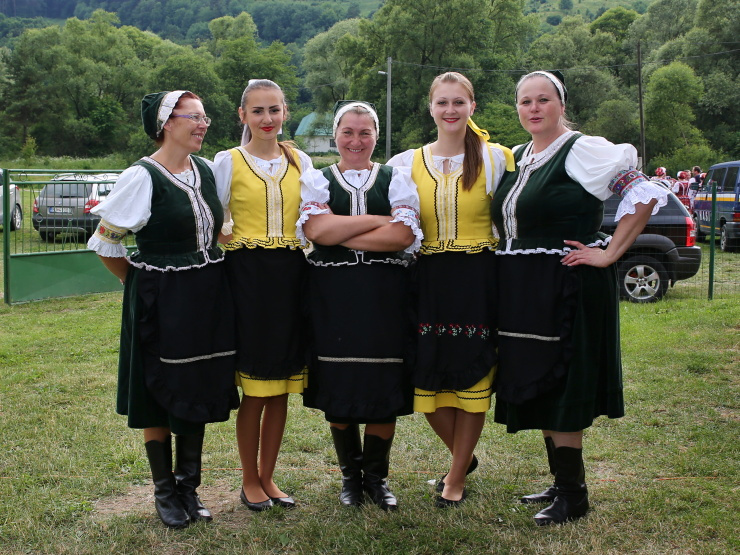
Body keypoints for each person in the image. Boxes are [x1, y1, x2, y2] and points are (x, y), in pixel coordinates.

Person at [490, 70, 668, 526]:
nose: (534, 108)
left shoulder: (583, 149)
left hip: (568, 283)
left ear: (561, 105)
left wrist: (610, 253)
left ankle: (574, 494)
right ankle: (560, 482)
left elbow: (644, 194)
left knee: (563, 380)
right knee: (542, 375)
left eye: (543, 99)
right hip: (526, 287)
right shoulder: (518, 156)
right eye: (525, 101)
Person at [88, 90, 239, 528]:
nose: (203, 124)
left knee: (196, 384)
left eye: (205, 117)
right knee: (155, 389)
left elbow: (216, 230)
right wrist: (138, 282)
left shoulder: (207, 171)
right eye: (194, 117)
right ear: (166, 123)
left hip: (205, 295)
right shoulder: (142, 176)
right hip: (160, 297)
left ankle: (189, 487)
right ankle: (164, 491)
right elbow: (106, 241)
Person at [388, 72, 514, 508]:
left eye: (459, 102)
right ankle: (465, 458)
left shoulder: (496, 158)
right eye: (442, 102)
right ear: (431, 108)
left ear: (472, 107)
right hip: (427, 279)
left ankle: (456, 476)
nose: (450, 110)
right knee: (428, 378)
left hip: (478, 278)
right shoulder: (407, 162)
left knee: (472, 373)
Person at [297, 101, 422, 511]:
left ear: (376, 136)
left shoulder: (395, 177)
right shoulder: (317, 179)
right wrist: (377, 221)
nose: (356, 140)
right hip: (333, 296)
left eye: (365, 132)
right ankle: (350, 478)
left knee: (383, 382)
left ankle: (376, 479)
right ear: (335, 135)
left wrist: (338, 232)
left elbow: (402, 237)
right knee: (339, 382)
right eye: (347, 132)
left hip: (385, 297)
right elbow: (316, 230)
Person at [213, 79, 320, 512]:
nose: (267, 118)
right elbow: (211, 217)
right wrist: (232, 241)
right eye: (257, 111)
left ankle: (269, 476)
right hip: (249, 281)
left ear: (285, 112)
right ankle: (248, 479)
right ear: (243, 115)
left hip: (292, 278)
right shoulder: (228, 161)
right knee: (256, 389)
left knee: (280, 387)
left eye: (274, 109)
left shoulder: (300, 160)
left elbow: (313, 216)